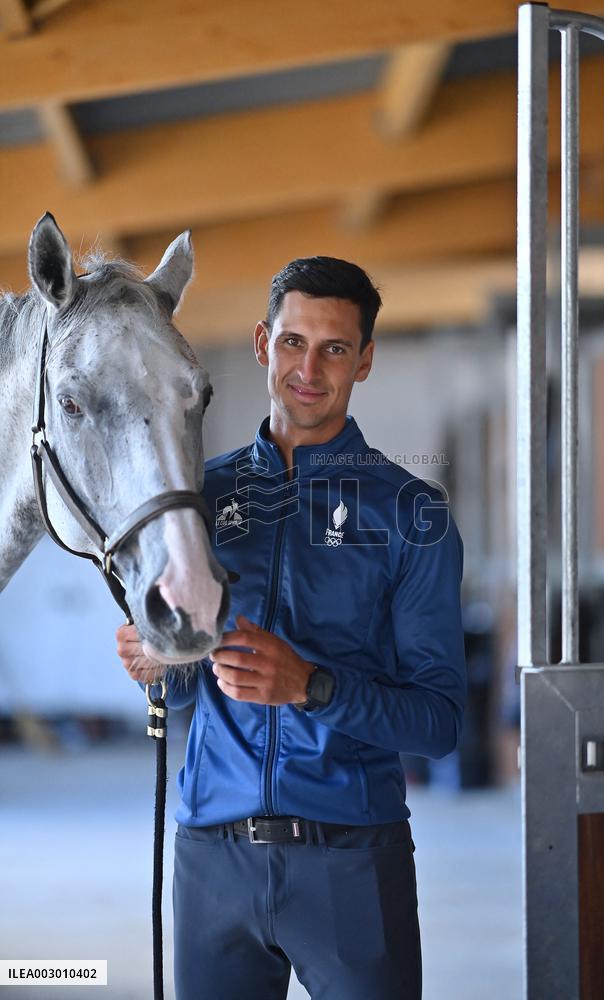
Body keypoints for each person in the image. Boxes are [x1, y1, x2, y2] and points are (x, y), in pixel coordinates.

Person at [116, 257, 466, 1000]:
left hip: (350, 864)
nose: (308, 369)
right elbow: (183, 697)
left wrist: (312, 687)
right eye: (292, 342)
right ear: (260, 343)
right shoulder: (197, 497)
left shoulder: (411, 515)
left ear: (364, 359)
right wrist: (160, 660)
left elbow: (437, 724)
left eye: (334, 348)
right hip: (211, 859)